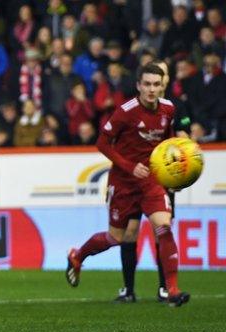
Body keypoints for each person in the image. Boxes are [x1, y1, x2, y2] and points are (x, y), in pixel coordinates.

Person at [65, 64, 190, 307]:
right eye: (147, 84)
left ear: (162, 85)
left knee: (164, 227)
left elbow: (167, 144)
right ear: (138, 86)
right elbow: (102, 143)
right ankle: (78, 256)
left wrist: (174, 171)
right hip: (123, 182)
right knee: (116, 238)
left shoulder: (169, 109)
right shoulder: (126, 111)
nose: (151, 89)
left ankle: (172, 290)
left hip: (152, 182)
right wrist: (129, 166)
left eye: (156, 84)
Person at [115, 59, 189, 303]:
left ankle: (164, 288)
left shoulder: (175, 108)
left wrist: (180, 166)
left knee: (162, 231)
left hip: (164, 177)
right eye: (150, 81)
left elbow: (183, 141)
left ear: (165, 80)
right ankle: (128, 289)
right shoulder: (135, 107)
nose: (156, 83)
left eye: (162, 76)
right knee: (130, 232)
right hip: (136, 179)